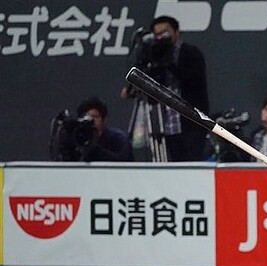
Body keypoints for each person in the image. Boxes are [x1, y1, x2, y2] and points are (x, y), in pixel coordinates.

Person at [123, 15, 209, 161]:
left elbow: (192, 80)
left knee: (191, 162)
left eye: (165, 32)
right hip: (167, 123)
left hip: (191, 123)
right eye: (157, 34)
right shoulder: (154, 54)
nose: (161, 37)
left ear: (177, 32)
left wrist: (168, 63)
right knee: (172, 164)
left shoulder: (190, 53)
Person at [76, 96, 133, 162]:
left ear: (104, 119)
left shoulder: (119, 138)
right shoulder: (77, 139)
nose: (90, 121)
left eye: (94, 116)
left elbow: (125, 163)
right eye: (86, 118)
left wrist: (96, 151)